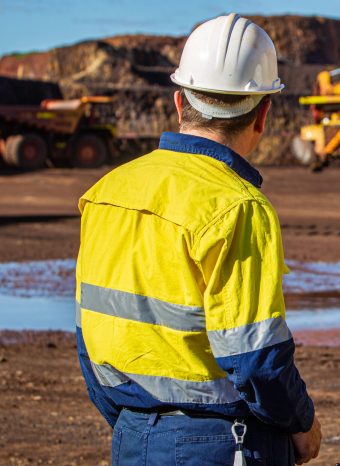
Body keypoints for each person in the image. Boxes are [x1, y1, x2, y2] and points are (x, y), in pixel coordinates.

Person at [75, 14, 322, 465]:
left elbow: (88, 337)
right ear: (263, 112)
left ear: (178, 101)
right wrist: (301, 422)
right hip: (224, 441)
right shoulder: (237, 206)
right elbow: (254, 355)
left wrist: (135, 419)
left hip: (133, 434)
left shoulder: (107, 192)